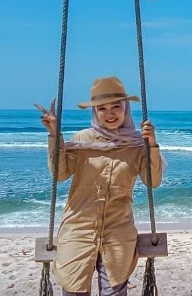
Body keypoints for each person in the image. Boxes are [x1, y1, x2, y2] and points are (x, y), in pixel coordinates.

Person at [37, 76, 166, 296]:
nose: (110, 113)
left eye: (117, 106)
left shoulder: (137, 143)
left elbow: (153, 181)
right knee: (73, 289)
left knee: (114, 292)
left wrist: (151, 144)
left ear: (125, 109)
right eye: (102, 108)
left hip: (118, 231)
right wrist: (54, 134)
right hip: (79, 229)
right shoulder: (82, 138)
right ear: (94, 112)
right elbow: (60, 174)